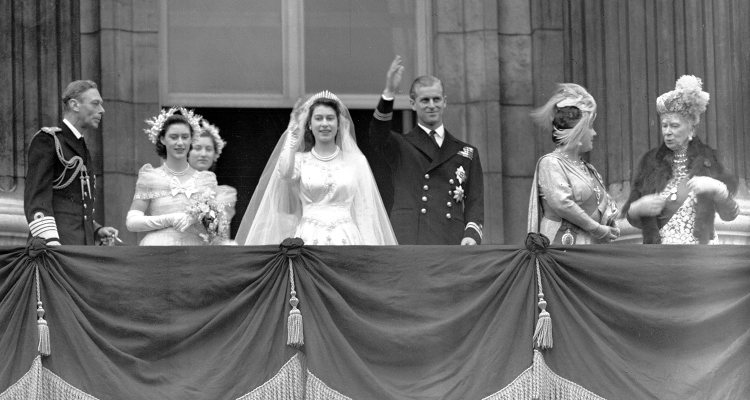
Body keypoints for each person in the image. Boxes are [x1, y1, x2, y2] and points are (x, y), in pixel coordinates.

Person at [235, 90, 397, 245]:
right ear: (310, 125)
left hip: (347, 238)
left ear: (339, 124)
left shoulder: (357, 162)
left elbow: (365, 209)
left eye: (330, 118)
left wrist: (369, 248)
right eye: (318, 118)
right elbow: (284, 172)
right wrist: (293, 131)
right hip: (309, 237)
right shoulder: (300, 161)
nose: (324, 123)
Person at [369, 56, 484, 245]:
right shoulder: (400, 145)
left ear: (445, 102)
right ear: (413, 104)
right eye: (425, 100)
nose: (432, 105)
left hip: (450, 239)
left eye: (436, 99)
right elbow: (377, 134)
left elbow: (475, 201)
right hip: (410, 239)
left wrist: (471, 235)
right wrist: (389, 91)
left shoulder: (466, 152)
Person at [622, 75, 739, 244]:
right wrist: (635, 208)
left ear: (691, 128)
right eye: (664, 125)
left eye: (675, 125)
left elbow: (731, 215)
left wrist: (719, 189)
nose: (667, 132)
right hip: (662, 260)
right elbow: (634, 220)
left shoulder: (709, 160)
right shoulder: (650, 163)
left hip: (701, 258)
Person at [24, 80, 119, 245]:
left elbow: (74, 203)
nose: (102, 110)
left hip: (81, 248)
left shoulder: (80, 145)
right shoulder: (48, 140)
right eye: (95, 104)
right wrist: (51, 242)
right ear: (75, 105)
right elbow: (37, 199)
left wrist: (95, 230)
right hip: (57, 247)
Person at [526, 83, 619, 244]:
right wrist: (597, 229)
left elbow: (603, 204)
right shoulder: (550, 163)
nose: (594, 133)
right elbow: (563, 204)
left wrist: (611, 223)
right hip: (562, 247)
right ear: (579, 132)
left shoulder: (589, 169)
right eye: (590, 127)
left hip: (588, 246)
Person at [125, 108, 220, 245]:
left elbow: (214, 227)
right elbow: (132, 222)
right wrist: (169, 219)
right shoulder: (150, 177)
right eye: (174, 137)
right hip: (159, 248)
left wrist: (196, 217)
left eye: (185, 137)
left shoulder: (206, 180)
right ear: (163, 139)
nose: (180, 143)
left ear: (192, 140)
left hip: (194, 251)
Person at [188, 118, 236, 243]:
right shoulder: (176, 184)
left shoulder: (225, 193)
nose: (203, 154)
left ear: (215, 154)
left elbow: (221, 233)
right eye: (197, 148)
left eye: (208, 149)